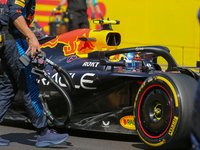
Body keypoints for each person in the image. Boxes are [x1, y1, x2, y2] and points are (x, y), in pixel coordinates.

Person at [0, 0, 69, 147]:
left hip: (7, 40)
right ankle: (43, 133)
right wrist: (31, 37)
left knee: (8, 88)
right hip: (14, 42)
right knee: (29, 87)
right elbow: (14, 12)